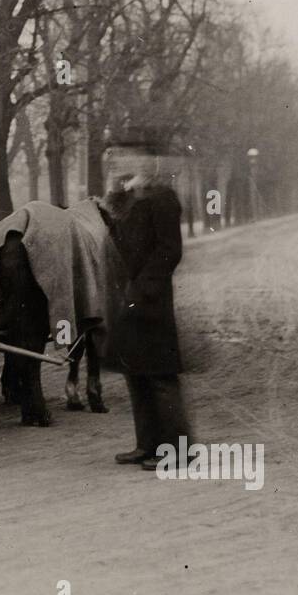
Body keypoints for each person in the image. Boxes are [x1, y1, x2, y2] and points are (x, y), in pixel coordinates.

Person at [106, 162, 192, 470]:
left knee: (160, 375)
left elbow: (170, 250)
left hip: (151, 298)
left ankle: (180, 450)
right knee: (136, 373)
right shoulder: (131, 196)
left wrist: (143, 288)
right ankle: (147, 444)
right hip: (130, 296)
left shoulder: (162, 197)